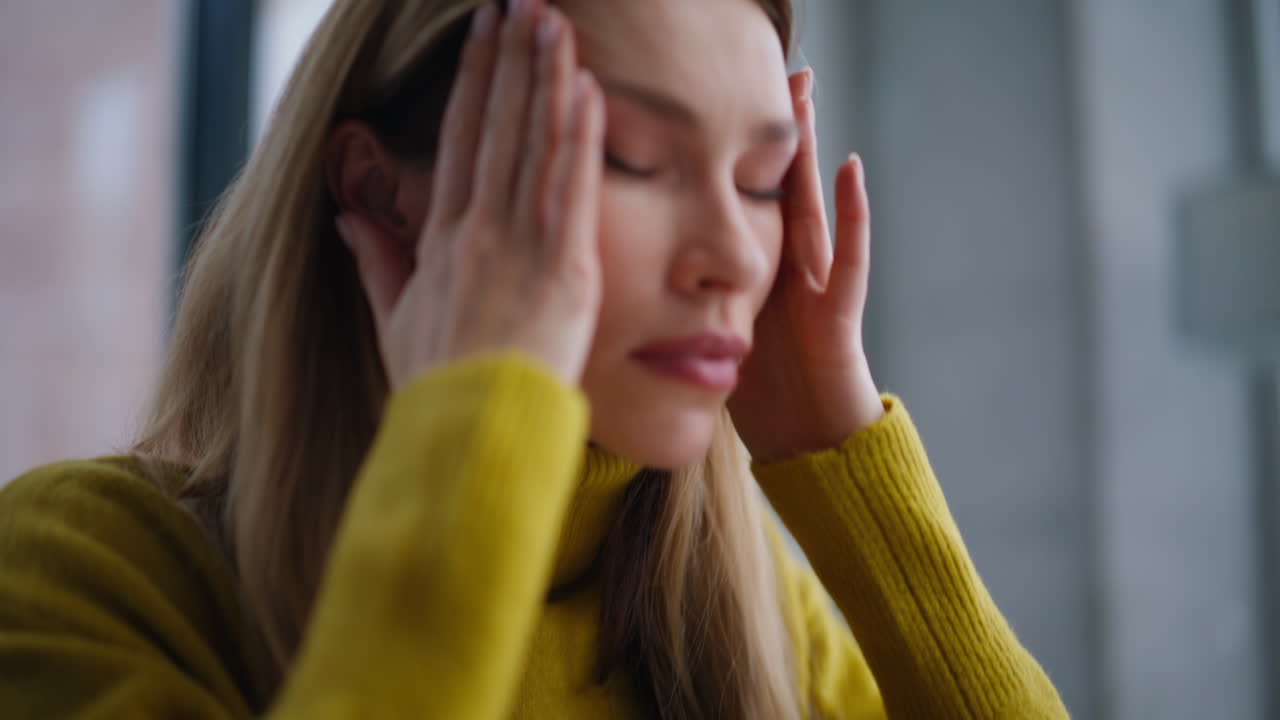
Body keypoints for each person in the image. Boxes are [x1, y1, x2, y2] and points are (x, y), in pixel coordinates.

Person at [0, 0, 1069, 717]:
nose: (734, 259)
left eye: (760, 180)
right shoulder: (84, 573)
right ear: (380, 193)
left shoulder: (756, 627)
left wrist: (843, 456)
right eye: (630, 160)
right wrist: (479, 424)